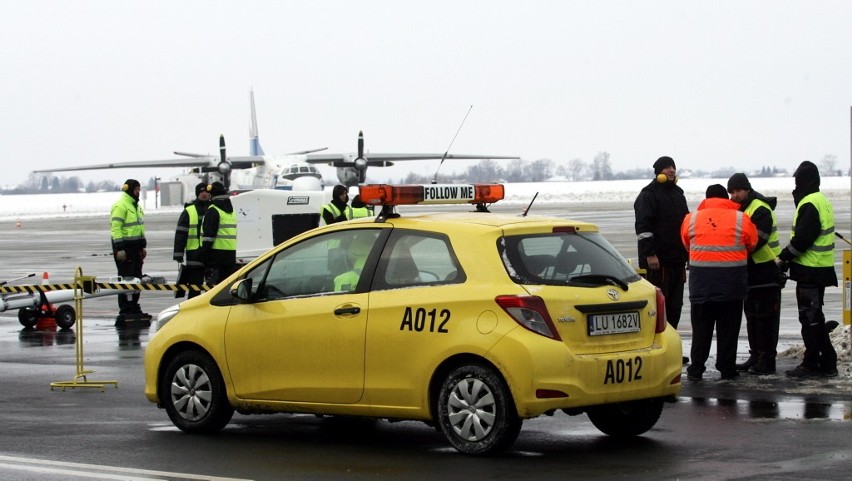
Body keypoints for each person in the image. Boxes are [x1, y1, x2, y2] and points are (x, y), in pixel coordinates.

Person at [682, 184, 757, 382]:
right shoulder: (741, 217)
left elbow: (686, 243)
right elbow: (752, 243)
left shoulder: (691, 218)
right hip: (731, 283)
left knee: (701, 328)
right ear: (726, 198)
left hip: (701, 284)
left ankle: (697, 367)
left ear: (706, 200)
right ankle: (727, 368)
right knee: (729, 328)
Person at [777, 161, 838, 378]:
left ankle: (816, 363)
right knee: (814, 317)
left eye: (798, 182)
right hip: (820, 268)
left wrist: (783, 257)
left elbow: (802, 239)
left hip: (810, 270)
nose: (796, 186)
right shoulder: (820, 200)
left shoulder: (810, 203)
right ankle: (824, 361)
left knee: (810, 319)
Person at [634, 156, 690, 363]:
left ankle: (672, 349)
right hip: (658, 262)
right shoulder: (648, 195)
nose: (671, 171)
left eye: (673, 167)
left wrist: (688, 254)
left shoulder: (678, 194)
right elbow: (643, 227)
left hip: (677, 260)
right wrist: (650, 254)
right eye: (666, 168)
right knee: (658, 308)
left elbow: (685, 226)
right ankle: (655, 349)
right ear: (658, 172)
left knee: (675, 307)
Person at [727, 173, 783, 375]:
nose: (735, 195)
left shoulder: (760, 208)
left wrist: (730, 248)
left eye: (738, 191)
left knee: (765, 317)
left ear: (747, 189)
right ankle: (756, 355)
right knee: (752, 315)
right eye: (732, 192)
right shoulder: (741, 209)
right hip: (750, 270)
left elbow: (757, 241)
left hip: (766, 269)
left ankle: (767, 360)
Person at [110, 178, 147, 319]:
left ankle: (134, 305)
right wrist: (119, 249)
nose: (138, 192)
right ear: (129, 189)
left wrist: (143, 246)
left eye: (139, 189)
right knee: (126, 279)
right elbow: (116, 229)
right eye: (136, 189)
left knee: (137, 278)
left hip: (136, 248)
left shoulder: (136, 206)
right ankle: (125, 307)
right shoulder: (120, 206)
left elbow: (139, 228)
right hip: (125, 249)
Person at [173, 182, 210, 298]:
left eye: (206, 192)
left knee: (212, 287)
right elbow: (181, 233)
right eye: (201, 192)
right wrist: (178, 253)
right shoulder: (189, 211)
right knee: (195, 286)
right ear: (197, 194)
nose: (204, 194)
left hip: (209, 253)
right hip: (194, 253)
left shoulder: (213, 209)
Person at [199, 182, 237, 285]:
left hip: (216, 256)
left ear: (212, 195)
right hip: (230, 255)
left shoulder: (213, 210)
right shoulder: (231, 211)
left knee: (214, 289)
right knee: (226, 287)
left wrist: (204, 254)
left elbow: (209, 236)